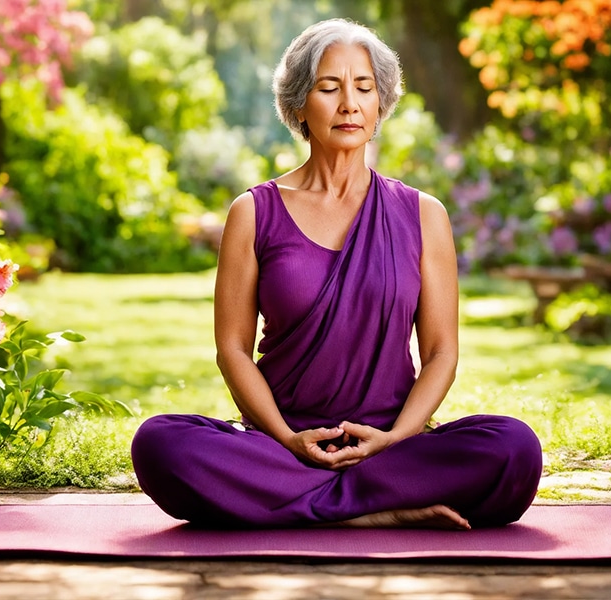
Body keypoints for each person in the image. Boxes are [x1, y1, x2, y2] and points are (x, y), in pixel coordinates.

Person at [131, 18, 542, 529]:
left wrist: (395, 440)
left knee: (514, 448)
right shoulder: (254, 212)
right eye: (329, 88)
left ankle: (310, 504)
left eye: (364, 88)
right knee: (160, 444)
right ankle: (374, 511)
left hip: (392, 446)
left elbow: (441, 353)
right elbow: (232, 350)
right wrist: (286, 439)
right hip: (282, 446)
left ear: (380, 104)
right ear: (299, 105)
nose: (349, 103)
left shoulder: (422, 214)